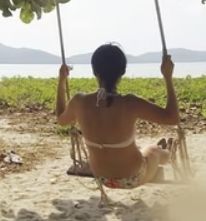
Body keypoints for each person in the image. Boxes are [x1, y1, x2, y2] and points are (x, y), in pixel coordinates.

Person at [55, 43, 180, 190]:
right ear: (123, 71)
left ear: (95, 71)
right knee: (154, 151)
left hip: (101, 177)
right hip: (133, 177)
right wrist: (168, 77)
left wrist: (62, 80)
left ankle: (155, 152)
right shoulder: (130, 103)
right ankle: (168, 154)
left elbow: (61, 120)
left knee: (133, 146)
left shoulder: (79, 101)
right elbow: (172, 118)